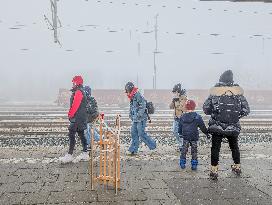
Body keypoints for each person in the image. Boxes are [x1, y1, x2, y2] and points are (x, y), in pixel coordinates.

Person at [203, 70, 250, 180]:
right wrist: (236, 117)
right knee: (234, 147)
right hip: (233, 126)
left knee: (215, 148)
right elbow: (246, 110)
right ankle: (237, 166)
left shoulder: (215, 92)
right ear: (231, 80)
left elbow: (206, 108)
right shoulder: (238, 93)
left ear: (221, 79)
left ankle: (214, 170)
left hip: (217, 126)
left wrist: (215, 113)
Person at [59, 75, 89, 163]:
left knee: (71, 134)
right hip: (80, 117)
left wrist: (70, 114)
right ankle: (85, 152)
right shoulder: (79, 91)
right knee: (81, 134)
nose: (72, 84)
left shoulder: (79, 92)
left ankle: (70, 155)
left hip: (77, 118)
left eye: (74, 82)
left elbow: (75, 105)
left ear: (77, 82)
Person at [125, 82, 156, 155]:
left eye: (127, 90)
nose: (127, 92)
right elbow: (132, 107)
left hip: (141, 119)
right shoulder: (132, 96)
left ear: (129, 89)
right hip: (135, 119)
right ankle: (133, 150)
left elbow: (143, 105)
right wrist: (131, 115)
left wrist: (138, 115)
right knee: (134, 133)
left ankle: (153, 145)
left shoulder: (137, 95)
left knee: (141, 134)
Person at [178, 100, 208, 170]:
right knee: (194, 151)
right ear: (194, 107)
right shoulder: (197, 116)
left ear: (186, 107)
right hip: (194, 136)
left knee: (184, 150)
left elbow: (180, 127)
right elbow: (202, 126)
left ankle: (182, 163)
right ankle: (194, 165)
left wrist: (180, 134)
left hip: (185, 136)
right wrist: (206, 133)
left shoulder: (182, 116)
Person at [170, 83, 187, 151]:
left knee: (181, 133)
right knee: (174, 131)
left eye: (175, 92)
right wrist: (173, 101)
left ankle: (182, 146)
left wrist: (176, 102)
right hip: (176, 118)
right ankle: (181, 145)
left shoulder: (183, 97)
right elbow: (171, 107)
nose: (174, 93)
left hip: (182, 118)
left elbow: (183, 108)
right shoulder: (175, 98)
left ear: (178, 92)